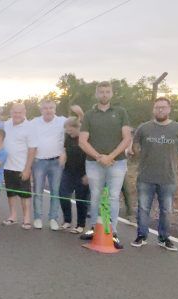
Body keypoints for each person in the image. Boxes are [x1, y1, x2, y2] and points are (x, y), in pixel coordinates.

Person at [130, 97, 178, 251]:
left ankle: (164, 238)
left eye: (163, 107)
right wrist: (141, 155)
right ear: (153, 109)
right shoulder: (144, 128)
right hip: (145, 176)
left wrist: (175, 161)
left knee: (166, 210)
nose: (160, 110)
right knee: (143, 208)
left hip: (168, 177)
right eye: (157, 107)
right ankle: (141, 236)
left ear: (169, 109)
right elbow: (135, 144)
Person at [78, 81, 131, 249]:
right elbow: (82, 140)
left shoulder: (121, 112)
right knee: (95, 196)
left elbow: (127, 138)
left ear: (112, 94)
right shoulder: (89, 115)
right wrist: (100, 157)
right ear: (96, 94)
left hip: (117, 162)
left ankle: (111, 232)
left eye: (107, 92)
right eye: (101, 92)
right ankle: (95, 228)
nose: (104, 94)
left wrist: (111, 156)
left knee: (113, 197)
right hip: (94, 163)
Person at [31, 100, 68, 230]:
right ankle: (37, 218)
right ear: (41, 110)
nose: (48, 110)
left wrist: (64, 152)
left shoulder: (62, 121)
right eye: (45, 108)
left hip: (56, 161)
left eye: (51, 108)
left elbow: (77, 127)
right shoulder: (34, 122)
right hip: (38, 161)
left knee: (55, 191)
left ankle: (53, 218)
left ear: (55, 109)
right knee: (38, 191)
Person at [3, 103, 36, 229]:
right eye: (15, 112)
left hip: (22, 167)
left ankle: (27, 219)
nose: (17, 114)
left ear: (24, 112)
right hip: (8, 166)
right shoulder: (6, 124)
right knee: (11, 193)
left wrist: (28, 169)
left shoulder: (29, 127)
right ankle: (13, 216)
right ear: (11, 112)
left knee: (25, 194)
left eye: (19, 112)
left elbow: (32, 149)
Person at [59, 117, 90, 234]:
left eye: (70, 130)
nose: (68, 132)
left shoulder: (86, 138)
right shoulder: (68, 138)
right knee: (63, 195)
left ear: (78, 128)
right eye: (67, 130)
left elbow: (90, 156)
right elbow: (65, 150)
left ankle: (80, 225)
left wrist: (88, 174)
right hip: (68, 171)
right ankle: (67, 220)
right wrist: (63, 157)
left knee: (81, 199)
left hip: (83, 173)